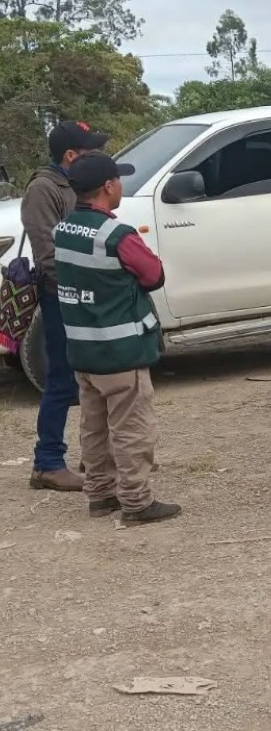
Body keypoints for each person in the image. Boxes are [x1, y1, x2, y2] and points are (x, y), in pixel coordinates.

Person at [54, 152, 180, 526]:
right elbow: (153, 275)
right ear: (108, 186)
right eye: (119, 180)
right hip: (121, 351)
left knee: (93, 427)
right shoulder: (117, 235)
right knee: (131, 428)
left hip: (83, 350)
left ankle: (100, 494)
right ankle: (137, 501)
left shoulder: (63, 229)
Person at [22, 120, 109, 492]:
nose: (96, 158)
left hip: (83, 292)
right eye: (89, 152)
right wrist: (87, 277)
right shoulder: (43, 190)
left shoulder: (73, 186)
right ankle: (48, 463)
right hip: (61, 295)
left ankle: (96, 455)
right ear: (70, 156)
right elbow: (48, 254)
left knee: (95, 376)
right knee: (61, 379)